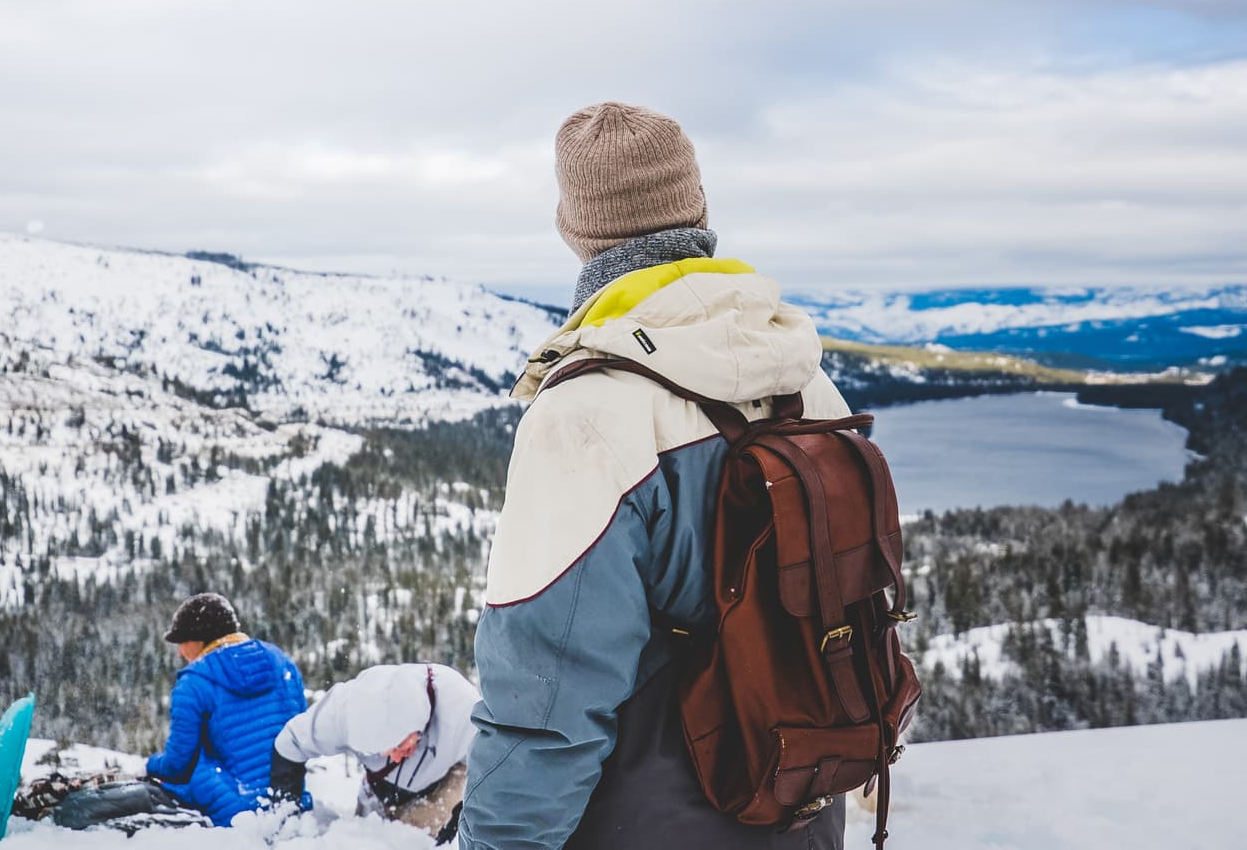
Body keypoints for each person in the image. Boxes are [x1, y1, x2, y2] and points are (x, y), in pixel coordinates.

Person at [460, 102, 852, 849]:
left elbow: (545, 703)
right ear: (699, 210)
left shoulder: (589, 413)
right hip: (802, 800)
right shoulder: (806, 381)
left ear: (575, 230)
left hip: (649, 818)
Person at [144, 592, 306, 827]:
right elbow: (302, 734)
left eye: (181, 641)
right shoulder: (283, 662)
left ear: (200, 638)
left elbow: (177, 767)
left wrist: (149, 765)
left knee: (194, 764)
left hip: (239, 814)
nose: (180, 651)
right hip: (292, 805)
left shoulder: (194, 682)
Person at [268, 662, 479, 841]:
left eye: (402, 747)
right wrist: (286, 812)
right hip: (377, 788)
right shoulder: (342, 710)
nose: (396, 756)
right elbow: (290, 743)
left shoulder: (461, 709)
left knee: (413, 840)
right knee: (366, 839)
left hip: (443, 784)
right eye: (385, 752)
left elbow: (493, 765)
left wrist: (463, 810)